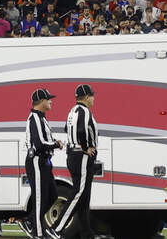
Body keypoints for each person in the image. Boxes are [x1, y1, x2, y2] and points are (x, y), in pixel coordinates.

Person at [54, 84, 107, 239]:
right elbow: (81, 131)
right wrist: (85, 147)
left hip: (73, 154)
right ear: (86, 97)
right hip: (81, 156)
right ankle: (57, 227)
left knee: (84, 197)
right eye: (92, 96)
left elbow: (67, 128)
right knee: (79, 193)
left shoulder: (73, 111)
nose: (94, 99)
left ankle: (86, 233)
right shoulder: (84, 111)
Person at [22, 88, 61, 239]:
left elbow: (44, 140)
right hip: (36, 161)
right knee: (40, 199)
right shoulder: (35, 118)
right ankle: (38, 233)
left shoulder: (41, 118)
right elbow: (39, 144)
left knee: (52, 195)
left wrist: (54, 142)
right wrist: (56, 144)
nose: (51, 101)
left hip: (44, 161)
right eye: (49, 99)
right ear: (42, 101)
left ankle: (30, 221)